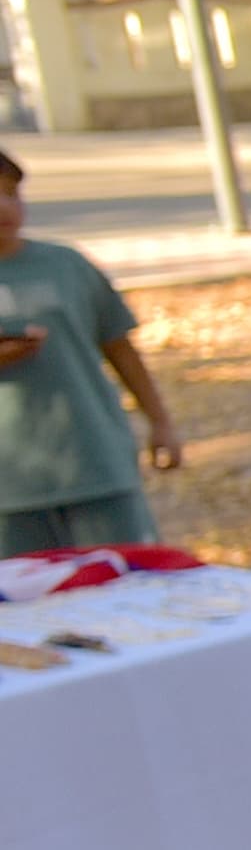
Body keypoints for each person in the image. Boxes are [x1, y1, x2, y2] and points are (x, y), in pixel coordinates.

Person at [0, 140, 180, 552]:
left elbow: (118, 345)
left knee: (126, 575)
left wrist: (160, 421)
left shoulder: (66, 265)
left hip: (94, 465)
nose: (4, 207)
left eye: (11, 193)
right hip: (10, 488)